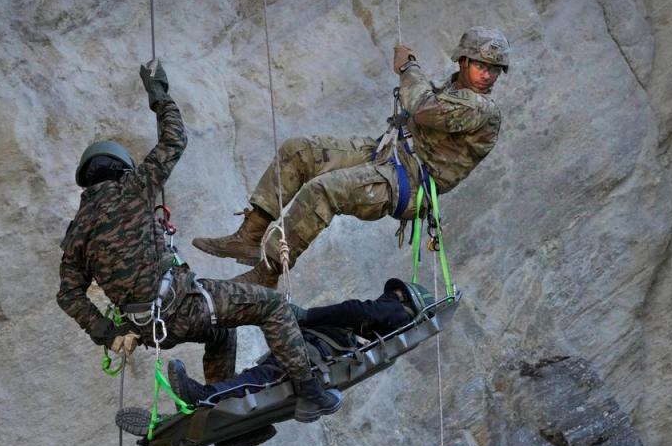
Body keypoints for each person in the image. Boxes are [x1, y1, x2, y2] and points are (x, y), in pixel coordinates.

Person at [56, 60, 341, 423]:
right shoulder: (132, 187)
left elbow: (67, 294)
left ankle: (223, 411)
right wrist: (159, 95)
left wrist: (109, 334)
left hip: (148, 329)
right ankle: (311, 393)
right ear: (121, 167)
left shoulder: (76, 232)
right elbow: (175, 138)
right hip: (183, 306)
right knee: (271, 306)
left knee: (221, 330)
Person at [191, 26, 510, 287]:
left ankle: (266, 274)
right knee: (300, 151)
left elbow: (424, 109)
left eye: (494, 70)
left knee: (323, 191)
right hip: (392, 156)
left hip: (409, 185)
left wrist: (409, 68)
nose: (488, 76)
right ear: (463, 62)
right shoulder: (456, 90)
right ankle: (250, 235)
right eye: (482, 66)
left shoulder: (481, 109)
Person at [166, 279, 432, 408]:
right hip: (314, 352)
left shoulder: (396, 312)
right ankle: (229, 423)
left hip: (312, 353)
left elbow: (359, 310)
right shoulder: (374, 340)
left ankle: (204, 396)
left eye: (395, 295)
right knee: (261, 377)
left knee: (265, 376)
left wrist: (307, 315)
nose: (389, 297)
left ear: (406, 302)